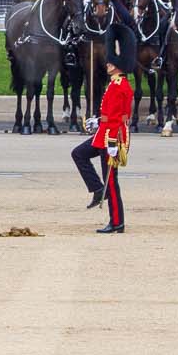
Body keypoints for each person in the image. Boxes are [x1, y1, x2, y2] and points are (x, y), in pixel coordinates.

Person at [73, 51, 133, 233]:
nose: (107, 65)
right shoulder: (115, 84)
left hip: (111, 137)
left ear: (116, 65)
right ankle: (98, 189)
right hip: (104, 133)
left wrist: (114, 142)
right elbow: (112, 114)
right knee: (79, 153)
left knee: (112, 181)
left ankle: (117, 222)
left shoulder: (120, 86)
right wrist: (98, 121)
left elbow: (120, 118)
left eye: (110, 63)